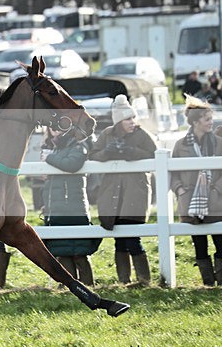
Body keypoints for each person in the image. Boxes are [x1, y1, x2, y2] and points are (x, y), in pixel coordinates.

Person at [88, 95, 157, 285]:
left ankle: (144, 280)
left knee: (132, 237)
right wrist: (107, 153)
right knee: (119, 239)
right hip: (112, 193)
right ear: (118, 121)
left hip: (135, 192)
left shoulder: (142, 135)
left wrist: (130, 152)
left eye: (133, 118)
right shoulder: (107, 135)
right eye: (128, 119)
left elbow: (155, 155)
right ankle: (124, 280)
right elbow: (93, 155)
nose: (132, 122)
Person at [171, 95, 222, 286]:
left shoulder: (218, 143)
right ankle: (208, 282)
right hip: (191, 203)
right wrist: (180, 190)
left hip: (216, 202)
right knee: (199, 246)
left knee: (221, 243)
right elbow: (172, 173)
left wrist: (216, 188)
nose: (211, 123)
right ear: (195, 121)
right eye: (207, 119)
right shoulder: (180, 145)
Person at [40, 126, 100, 285]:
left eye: (59, 128)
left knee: (79, 251)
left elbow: (72, 164)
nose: (56, 132)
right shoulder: (51, 148)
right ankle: (69, 287)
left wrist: (49, 159)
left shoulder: (78, 146)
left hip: (73, 205)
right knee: (62, 251)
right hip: (55, 207)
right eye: (53, 129)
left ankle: (87, 286)